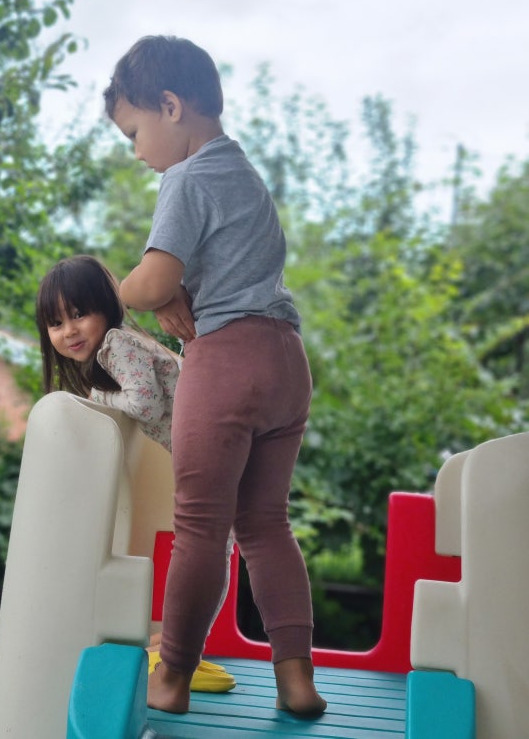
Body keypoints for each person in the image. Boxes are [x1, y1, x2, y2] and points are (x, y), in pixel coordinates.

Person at [103, 35, 327, 717]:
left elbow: (154, 278)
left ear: (171, 106)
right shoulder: (244, 175)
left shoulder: (184, 177)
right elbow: (206, 269)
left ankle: (171, 676)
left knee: (200, 525)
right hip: (285, 360)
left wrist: (118, 288)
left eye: (135, 131)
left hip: (224, 358)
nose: (136, 152)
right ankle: (295, 679)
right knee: (265, 523)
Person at [35, 253, 235, 693]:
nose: (68, 331)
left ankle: (185, 648)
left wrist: (99, 401)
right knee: (220, 545)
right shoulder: (113, 354)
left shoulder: (118, 345)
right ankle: (186, 644)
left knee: (213, 546)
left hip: (214, 446)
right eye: (55, 322)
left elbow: (145, 404)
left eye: (79, 314)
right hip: (215, 445)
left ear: (107, 307)